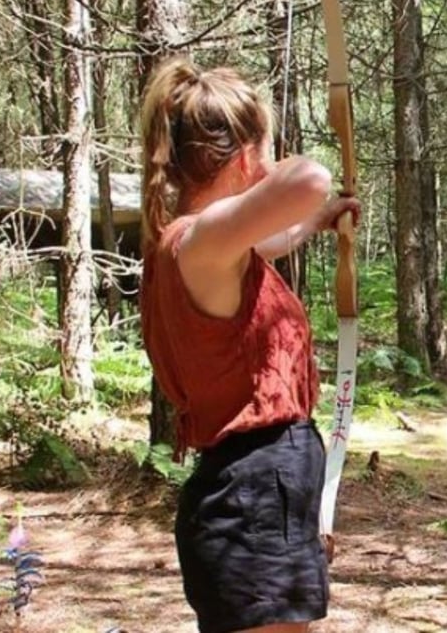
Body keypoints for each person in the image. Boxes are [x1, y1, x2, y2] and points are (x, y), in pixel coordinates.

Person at [138, 57, 359, 633]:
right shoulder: (199, 242)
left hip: (256, 498)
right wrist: (278, 171)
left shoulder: (201, 245)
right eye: (263, 150)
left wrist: (318, 222)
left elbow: (268, 239)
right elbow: (309, 180)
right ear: (242, 158)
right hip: (252, 501)